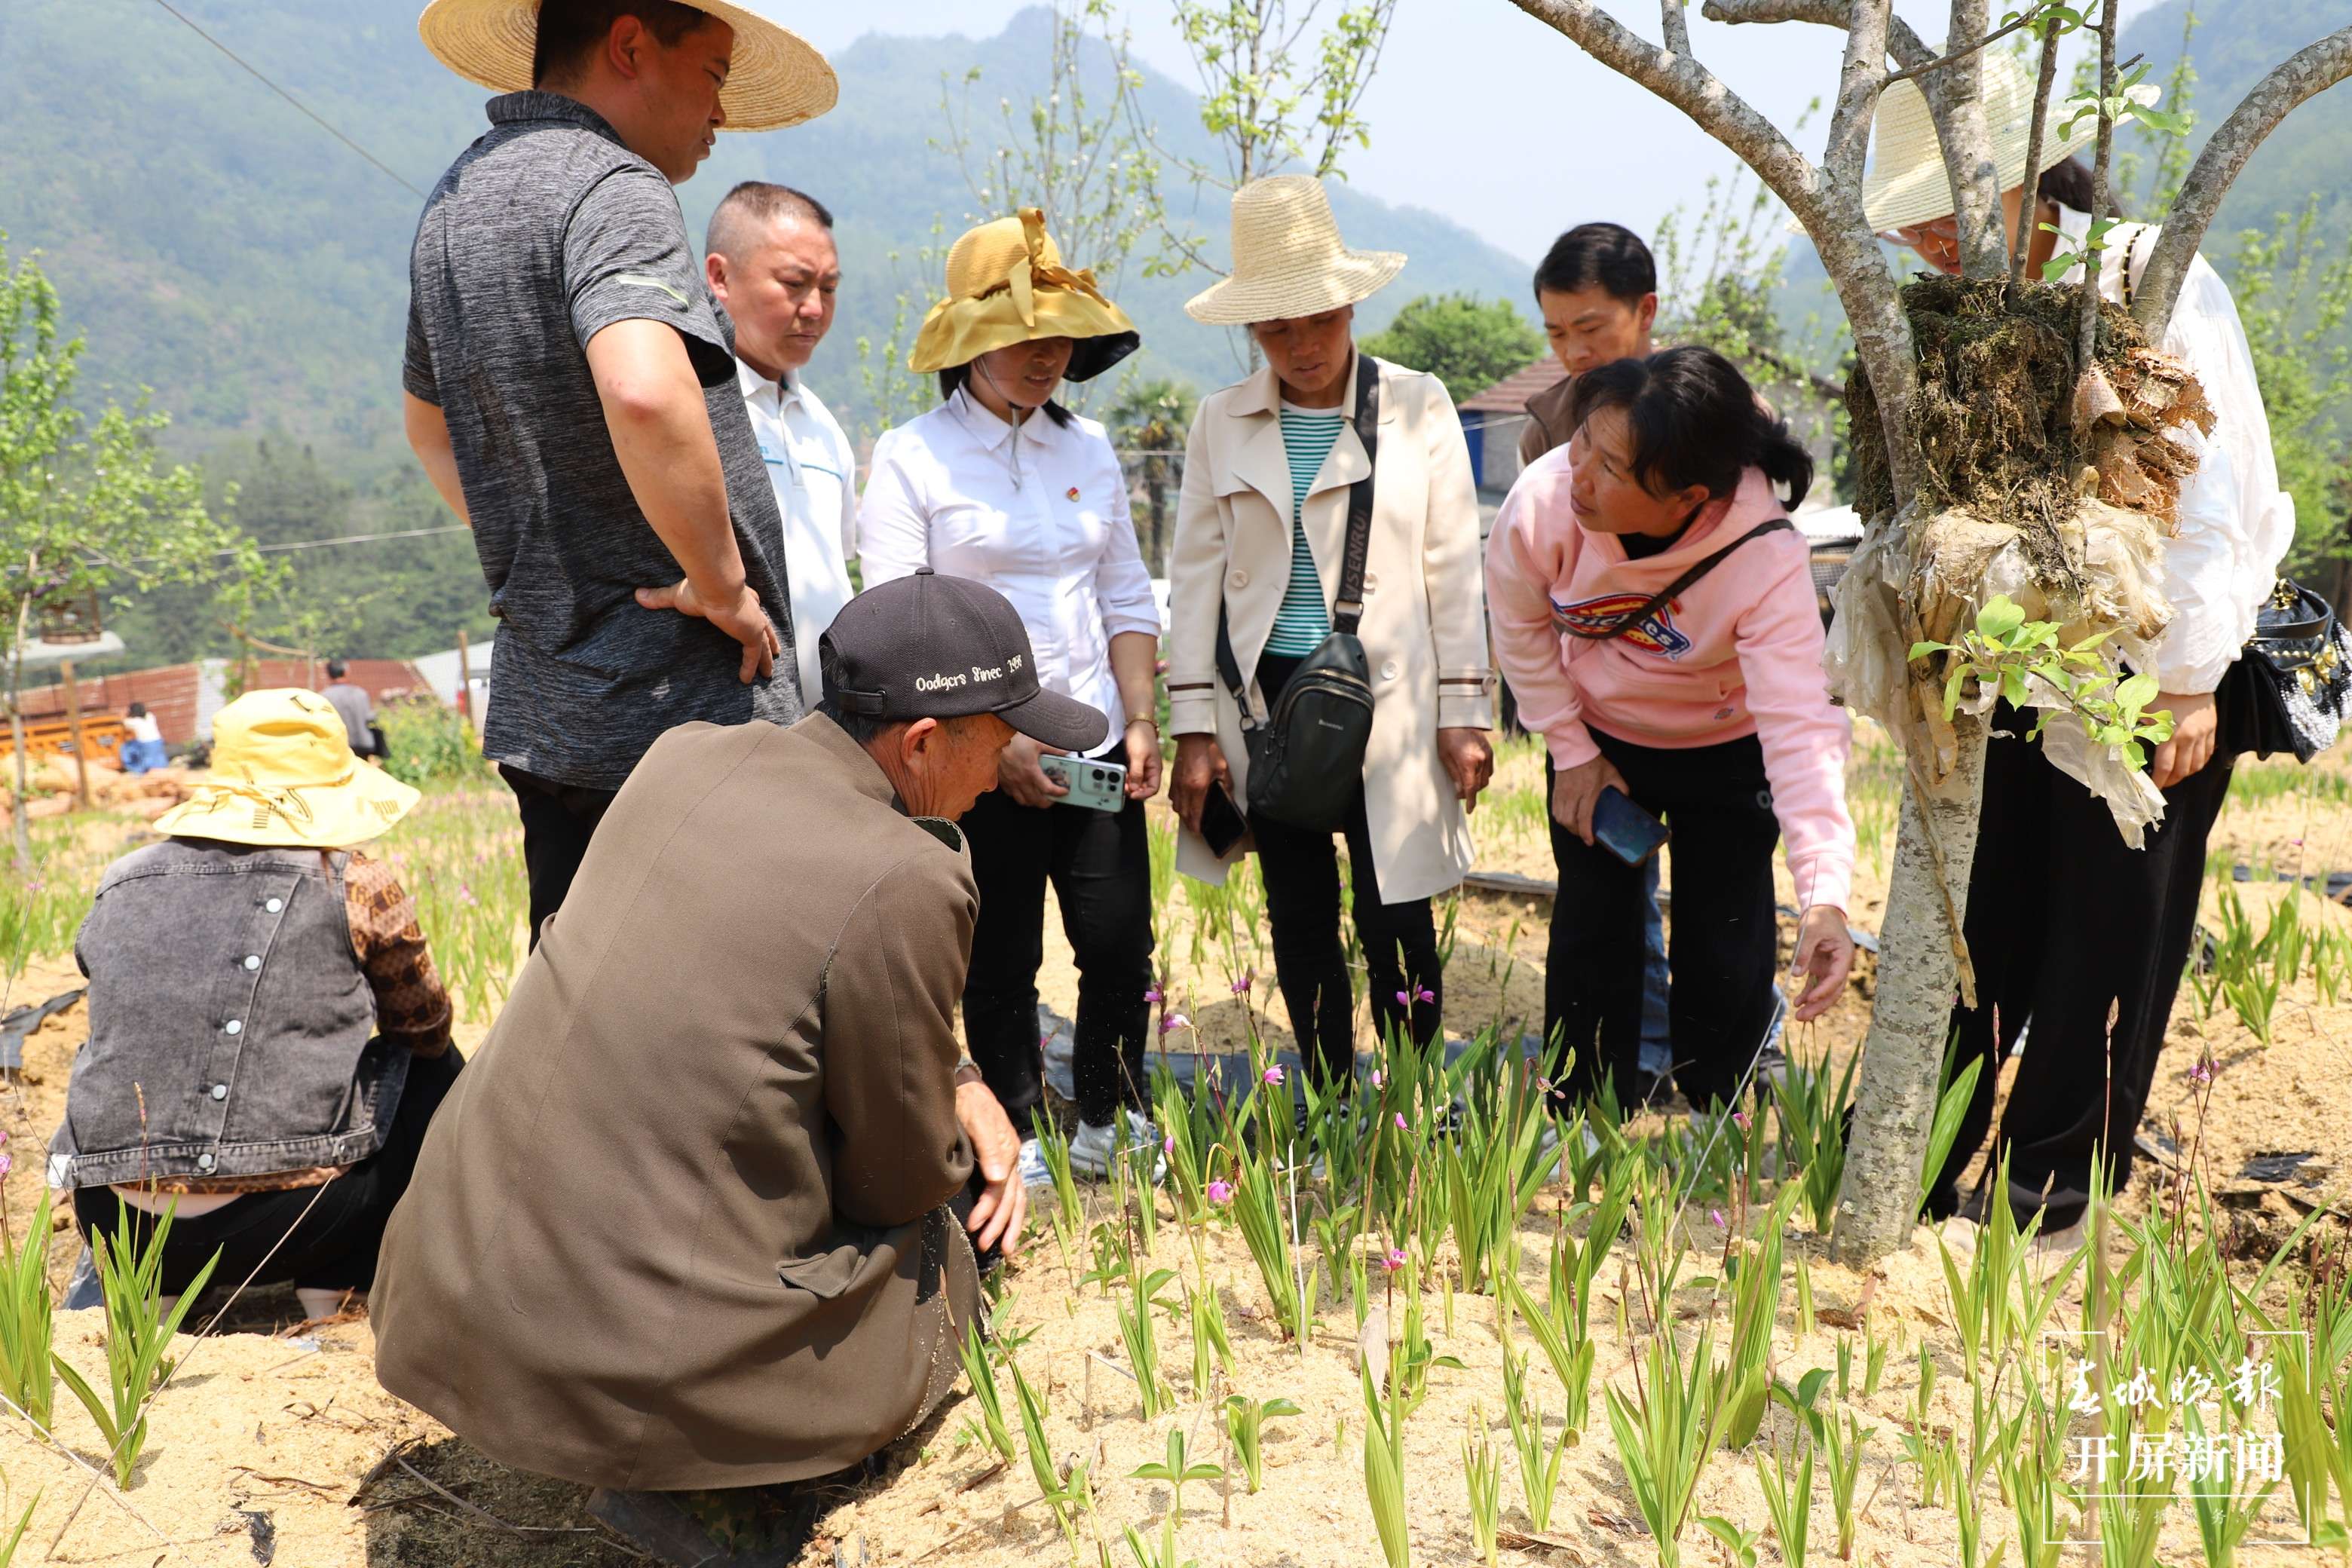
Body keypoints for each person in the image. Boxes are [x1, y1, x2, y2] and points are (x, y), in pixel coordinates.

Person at [372, 571, 1096, 1567]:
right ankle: (727, 1504)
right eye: (998, 736)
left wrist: (956, 1072)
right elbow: (895, 1173)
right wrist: (957, 1145)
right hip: (629, 1375)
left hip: (448, 1286)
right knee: (951, 1250)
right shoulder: (913, 869)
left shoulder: (685, 757)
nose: (1008, 760)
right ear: (923, 744)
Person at [1864, 57, 2297, 1240]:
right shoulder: (1964, 313)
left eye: (1948, 212)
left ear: (2017, 182)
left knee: (2104, 947)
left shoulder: (2140, 276)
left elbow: (2216, 490)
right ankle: (1926, 1177)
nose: (1931, 243)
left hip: (2151, 674)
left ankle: (2050, 1204)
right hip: (2014, 669)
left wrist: (2190, 682)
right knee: (1987, 927)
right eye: (1913, 225)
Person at [401, 0, 838, 945]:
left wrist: (539, 565)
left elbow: (428, 425)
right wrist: (723, 585)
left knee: (581, 1007)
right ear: (631, 44)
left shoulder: (454, 199)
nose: (723, 112)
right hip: (675, 712)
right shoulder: (613, 185)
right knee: (714, 1016)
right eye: (716, 75)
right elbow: (643, 390)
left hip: (550, 703)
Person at [1168, 175, 1495, 1096]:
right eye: (1277, 329)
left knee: (1399, 907)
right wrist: (1195, 728)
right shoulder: (1217, 421)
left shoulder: (1417, 405)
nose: (1304, 346)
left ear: (1350, 303)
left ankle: (1419, 1094)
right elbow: (1194, 577)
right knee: (1298, 909)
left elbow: (1451, 566)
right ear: (1251, 333)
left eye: (1318, 320)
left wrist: (1465, 708)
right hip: (1271, 704)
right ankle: (1326, 1095)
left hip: (1387, 698)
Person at [858, 209, 1159, 1179]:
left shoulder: (1092, 448)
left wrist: (1142, 714)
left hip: (1093, 737)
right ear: (971, 343)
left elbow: (1122, 591)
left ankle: (1116, 1115)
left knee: (1117, 942)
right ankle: (1018, 1132)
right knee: (999, 954)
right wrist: (992, 738)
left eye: (1059, 336)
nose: (1045, 355)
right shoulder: (912, 457)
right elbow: (903, 615)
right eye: (1024, 336)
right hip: (979, 756)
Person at [1486, 347, 1856, 1113]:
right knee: (1594, 935)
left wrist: (1826, 894)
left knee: (1725, 948)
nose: (1578, 472)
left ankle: (1718, 1116)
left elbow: (1799, 725)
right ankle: (1584, 1119)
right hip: (1601, 741)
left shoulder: (1762, 551)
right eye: (1583, 439)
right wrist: (1572, 752)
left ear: (1686, 496)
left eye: (1611, 468)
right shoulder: (1544, 503)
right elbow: (1519, 631)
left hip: (1725, 749)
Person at [51, 691, 459, 1325]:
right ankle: (338, 1287)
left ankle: (152, 1297)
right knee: (429, 1065)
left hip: (117, 1220)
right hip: (301, 1220)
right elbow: (424, 1025)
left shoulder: (122, 877)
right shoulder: (349, 877)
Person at [1519, 222, 1680, 1104]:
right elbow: (1532, 590)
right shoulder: (1547, 423)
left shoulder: (1704, 404)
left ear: (1645, 312)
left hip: (1701, 704)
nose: (1575, 352)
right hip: (1592, 711)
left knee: (1721, 890)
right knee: (1608, 888)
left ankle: (1725, 1051)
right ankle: (1609, 1070)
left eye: (1591, 328)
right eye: (1556, 334)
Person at [706, 180, 858, 701]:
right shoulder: (691, 410)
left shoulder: (822, 427)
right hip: (729, 721)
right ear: (719, 277)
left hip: (829, 728)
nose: (815, 308)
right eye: (795, 284)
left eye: (830, 287)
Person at [319, 659, 379, 760]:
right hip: (362, 746)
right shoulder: (360, 694)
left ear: (329, 674)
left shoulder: (324, 697)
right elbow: (370, 719)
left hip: (338, 747)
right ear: (346, 672)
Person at [118, 702, 167, 774]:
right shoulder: (151, 716)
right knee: (158, 758)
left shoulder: (134, 722)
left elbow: (123, 721)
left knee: (127, 748)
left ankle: (137, 769)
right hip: (158, 741)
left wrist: (123, 713)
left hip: (145, 744)